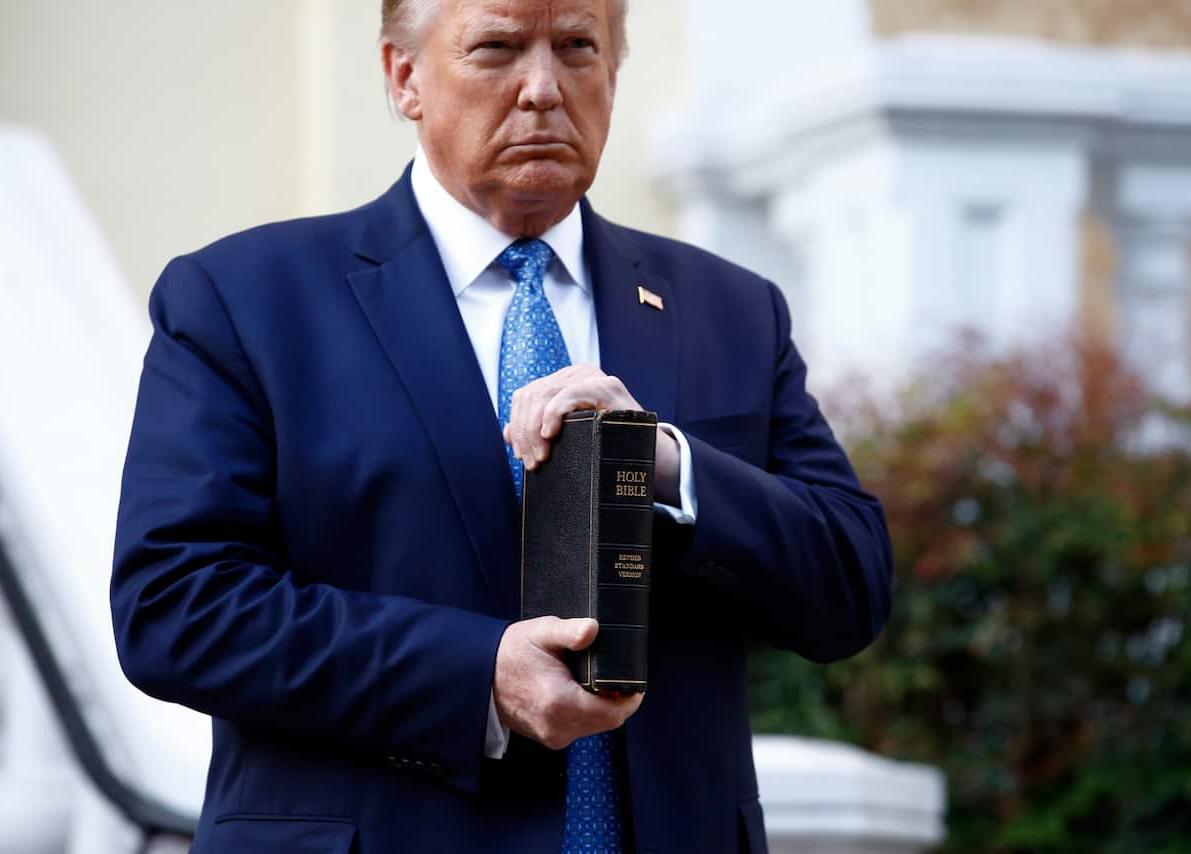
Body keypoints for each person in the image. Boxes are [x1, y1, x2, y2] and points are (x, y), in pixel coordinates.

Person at [110, 0, 893, 851]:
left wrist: (663, 461)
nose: (543, 90)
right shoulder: (247, 300)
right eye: (498, 48)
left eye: (577, 48)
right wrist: (477, 674)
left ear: (615, 72)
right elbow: (175, 605)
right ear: (404, 76)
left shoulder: (730, 310)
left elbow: (851, 584)